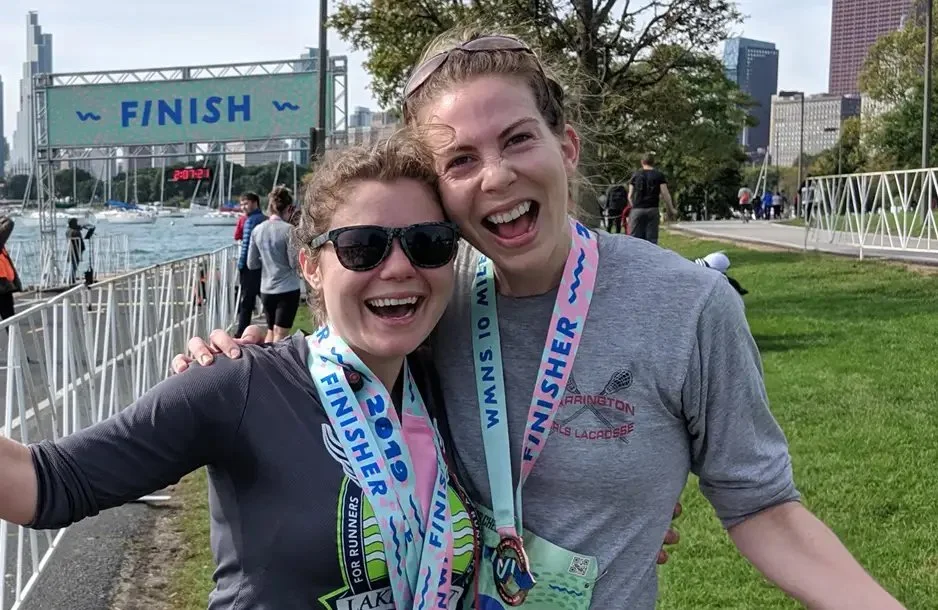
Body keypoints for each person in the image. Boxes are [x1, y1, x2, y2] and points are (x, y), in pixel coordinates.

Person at [175, 28, 904, 610]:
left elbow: (765, 508)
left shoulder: (688, 307)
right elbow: (341, 388)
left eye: (519, 139)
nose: (496, 175)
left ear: (567, 147)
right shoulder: (429, 304)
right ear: (441, 194)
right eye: (461, 160)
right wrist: (249, 354)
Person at [0, 134, 483, 609]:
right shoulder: (238, 381)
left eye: (428, 242)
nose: (400, 267)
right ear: (310, 267)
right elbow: (47, 482)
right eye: (362, 246)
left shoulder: (455, 385)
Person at [247, 186, 302, 342]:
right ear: (289, 208)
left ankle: (265, 363)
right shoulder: (289, 230)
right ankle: (274, 366)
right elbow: (293, 263)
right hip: (288, 288)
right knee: (281, 334)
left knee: (270, 332)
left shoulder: (257, 230)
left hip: (267, 289)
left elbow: (252, 264)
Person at [235, 191, 266, 338]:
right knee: (261, 295)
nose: (243, 207)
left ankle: (241, 331)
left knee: (246, 299)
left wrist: (242, 264)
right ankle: (273, 324)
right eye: (241, 204)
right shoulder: (262, 219)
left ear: (255, 203)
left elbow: (246, 245)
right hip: (260, 264)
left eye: (246, 203)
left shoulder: (251, 221)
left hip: (249, 265)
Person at [628, 153, 677, 243]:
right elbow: (665, 194)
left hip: (637, 209)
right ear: (653, 162)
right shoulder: (659, 175)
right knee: (651, 239)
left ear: (642, 162)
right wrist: (671, 208)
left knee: (635, 239)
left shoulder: (635, 175)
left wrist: (633, 207)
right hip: (652, 209)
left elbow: (630, 195)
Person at [0, 215, 22, 320]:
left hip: (4, 285)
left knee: (9, 319)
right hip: (2, 287)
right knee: (9, 320)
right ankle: (12, 336)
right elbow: (9, 223)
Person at [65, 218, 85, 284]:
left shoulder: (68, 230)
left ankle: (71, 278)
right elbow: (77, 235)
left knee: (73, 265)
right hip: (75, 250)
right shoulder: (74, 232)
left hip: (71, 250)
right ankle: (71, 279)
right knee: (74, 265)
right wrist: (79, 229)